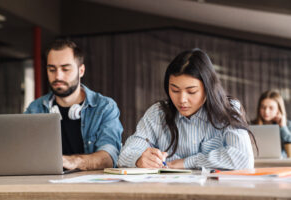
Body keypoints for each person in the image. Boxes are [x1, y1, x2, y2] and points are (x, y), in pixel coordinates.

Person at [118, 49, 254, 170]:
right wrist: (139, 160)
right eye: (175, 90)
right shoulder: (158, 113)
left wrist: (187, 162)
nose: (182, 99)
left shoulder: (228, 110)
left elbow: (243, 159)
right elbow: (124, 155)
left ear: (208, 89)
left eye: (191, 91)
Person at [25, 39, 123, 170]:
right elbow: (24, 153)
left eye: (65, 69)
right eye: (52, 69)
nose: (58, 76)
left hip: (91, 187)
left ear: (81, 70)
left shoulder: (105, 107)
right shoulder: (35, 109)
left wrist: (73, 161)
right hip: (46, 185)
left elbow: (109, 157)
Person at [252, 90, 291, 157]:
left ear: (278, 109)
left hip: (281, 164)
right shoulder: (251, 125)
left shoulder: (288, 125)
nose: (266, 112)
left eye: (271, 108)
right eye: (263, 107)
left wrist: (283, 127)